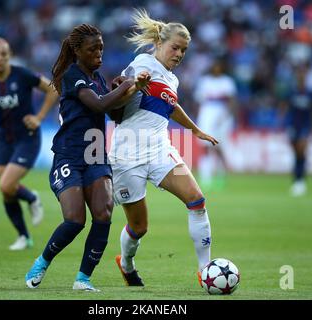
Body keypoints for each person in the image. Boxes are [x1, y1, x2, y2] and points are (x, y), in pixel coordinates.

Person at [24, 24, 150, 291]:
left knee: (103, 214)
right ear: (78, 51)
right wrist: (127, 84)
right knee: (75, 220)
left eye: (101, 48)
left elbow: (113, 114)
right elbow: (100, 105)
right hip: (69, 156)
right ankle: (42, 261)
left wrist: (130, 91)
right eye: (93, 49)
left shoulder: (98, 79)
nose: (99, 53)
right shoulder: (72, 76)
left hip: (96, 157)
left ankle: (83, 279)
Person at [108, 9, 218, 287]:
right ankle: (127, 263)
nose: (179, 54)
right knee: (139, 227)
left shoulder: (172, 79)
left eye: (184, 50)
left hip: (159, 151)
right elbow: (115, 106)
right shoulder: (141, 63)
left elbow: (171, 105)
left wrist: (195, 129)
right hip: (126, 155)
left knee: (197, 199)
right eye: (175, 48)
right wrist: (134, 86)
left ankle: (205, 270)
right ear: (159, 44)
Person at [0, 37, 59, 250]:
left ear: (9, 55)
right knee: (6, 191)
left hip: (28, 137)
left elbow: (53, 89)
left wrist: (39, 117)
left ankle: (31, 198)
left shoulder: (22, 75)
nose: (0, 58)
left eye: (4, 54)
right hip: (3, 139)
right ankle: (24, 237)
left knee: (5, 184)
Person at [194, 59, 237, 191]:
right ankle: (206, 178)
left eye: (219, 66)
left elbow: (232, 101)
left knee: (219, 147)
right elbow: (199, 100)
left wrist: (227, 116)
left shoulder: (227, 82)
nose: (216, 69)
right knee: (205, 147)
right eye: (215, 66)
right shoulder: (205, 81)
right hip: (207, 116)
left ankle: (220, 177)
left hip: (222, 116)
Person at [282, 65, 312, 196]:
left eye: (303, 75)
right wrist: (282, 121)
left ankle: (300, 181)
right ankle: (296, 180)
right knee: (296, 153)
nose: (301, 77)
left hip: (305, 125)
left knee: (301, 150)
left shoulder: (311, 93)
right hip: (293, 125)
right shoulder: (292, 92)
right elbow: (285, 107)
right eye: (299, 75)